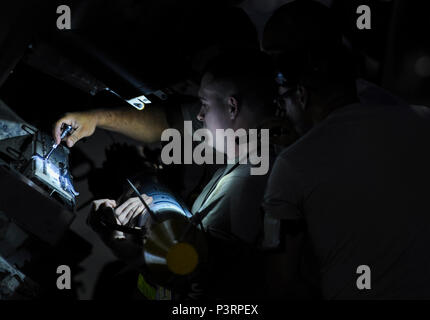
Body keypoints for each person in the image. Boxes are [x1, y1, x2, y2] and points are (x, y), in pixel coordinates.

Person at [54, 51, 284, 298]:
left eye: (205, 105)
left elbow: (196, 286)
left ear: (231, 107)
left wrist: (118, 241)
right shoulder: (255, 161)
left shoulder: (246, 182)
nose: (199, 115)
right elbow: (171, 120)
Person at [261, 0, 430, 299]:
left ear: (300, 93)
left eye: (282, 99)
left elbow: (279, 283)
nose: (279, 113)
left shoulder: (292, 166)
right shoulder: (421, 120)